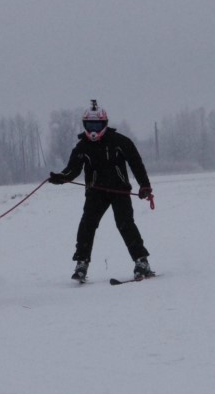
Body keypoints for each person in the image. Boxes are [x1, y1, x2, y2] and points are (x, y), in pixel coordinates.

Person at [48, 100, 155, 282]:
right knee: (87, 225)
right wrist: (61, 177)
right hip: (95, 193)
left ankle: (141, 261)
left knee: (125, 224)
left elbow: (136, 164)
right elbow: (72, 170)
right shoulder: (82, 147)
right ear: (85, 125)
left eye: (97, 125)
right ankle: (82, 263)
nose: (93, 130)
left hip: (120, 191)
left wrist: (144, 185)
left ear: (104, 124)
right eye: (90, 125)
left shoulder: (120, 142)